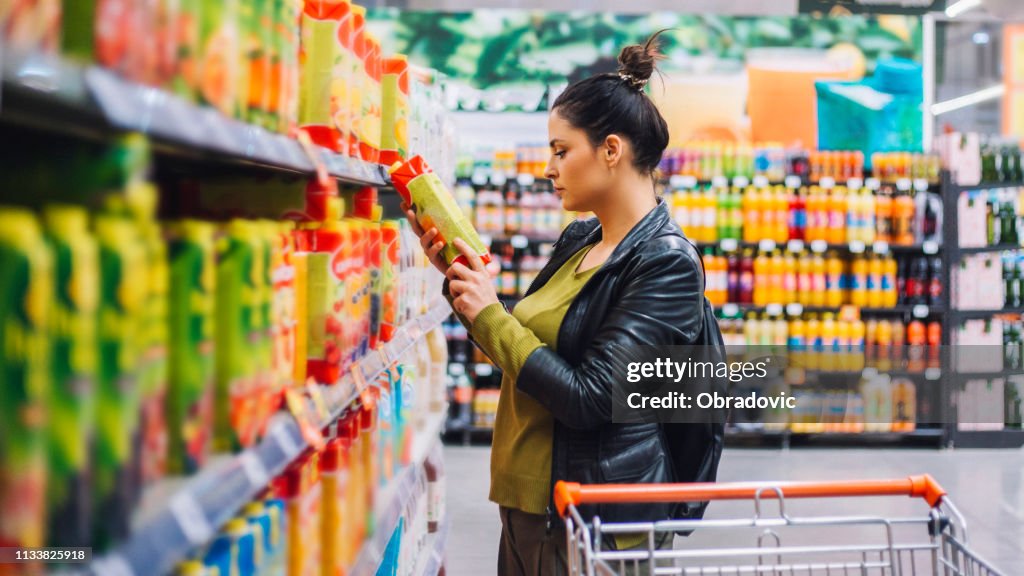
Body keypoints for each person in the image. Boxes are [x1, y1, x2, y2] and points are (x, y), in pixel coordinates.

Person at [404, 32, 723, 576]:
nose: (548, 168)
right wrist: (462, 281)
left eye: (560, 150)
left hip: (591, 521)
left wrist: (490, 314)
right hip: (528, 507)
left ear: (612, 150)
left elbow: (591, 398)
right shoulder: (580, 240)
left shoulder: (665, 263)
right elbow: (520, 349)